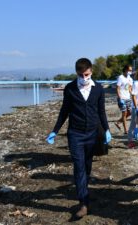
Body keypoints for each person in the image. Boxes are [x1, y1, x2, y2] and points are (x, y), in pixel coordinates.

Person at [46, 58, 111, 219]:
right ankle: (83, 202)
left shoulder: (98, 90)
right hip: (75, 134)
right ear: (76, 73)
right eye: (81, 75)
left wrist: (107, 130)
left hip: (92, 134)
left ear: (91, 72)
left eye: (87, 74)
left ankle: (85, 191)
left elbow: (101, 112)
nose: (84, 77)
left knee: (87, 166)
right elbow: (64, 111)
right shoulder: (70, 89)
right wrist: (55, 130)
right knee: (78, 166)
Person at [115, 65, 133, 134]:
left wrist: (132, 96)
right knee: (124, 113)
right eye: (129, 70)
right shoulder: (120, 77)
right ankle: (126, 130)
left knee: (130, 112)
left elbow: (130, 88)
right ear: (125, 70)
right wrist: (120, 98)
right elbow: (117, 88)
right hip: (122, 98)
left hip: (128, 98)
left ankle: (118, 122)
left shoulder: (130, 79)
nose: (130, 72)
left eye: (131, 70)